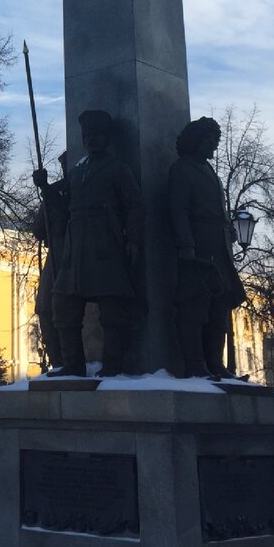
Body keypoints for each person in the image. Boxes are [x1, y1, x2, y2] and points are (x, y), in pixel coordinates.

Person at [35, 109, 144, 377]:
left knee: (112, 309)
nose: (92, 139)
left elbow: (134, 205)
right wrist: (46, 188)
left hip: (105, 242)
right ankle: (73, 364)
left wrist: (133, 240)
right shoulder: (77, 172)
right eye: (88, 136)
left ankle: (113, 365)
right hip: (76, 246)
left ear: (107, 138)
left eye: (97, 135)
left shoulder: (118, 168)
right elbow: (63, 207)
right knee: (62, 304)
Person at [167, 117, 246, 379]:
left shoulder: (210, 172)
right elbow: (178, 210)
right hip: (198, 247)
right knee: (194, 307)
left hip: (218, 247)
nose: (214, 145)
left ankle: (215, 363)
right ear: (195, 140)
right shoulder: (182, 169)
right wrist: (186, 243)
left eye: (216, 140)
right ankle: (194, 363)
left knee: (219, 308)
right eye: (209, 139)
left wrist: (228, 228)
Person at [31, 153, 68, 371]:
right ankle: (58, 362)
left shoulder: (79, 188)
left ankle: (69, 360)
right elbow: (38, 230)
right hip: (55, 254)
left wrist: (48, 191)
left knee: (64, 308)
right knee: (44, 308)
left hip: (74, 253)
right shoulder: (53, 190)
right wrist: (46, 194)